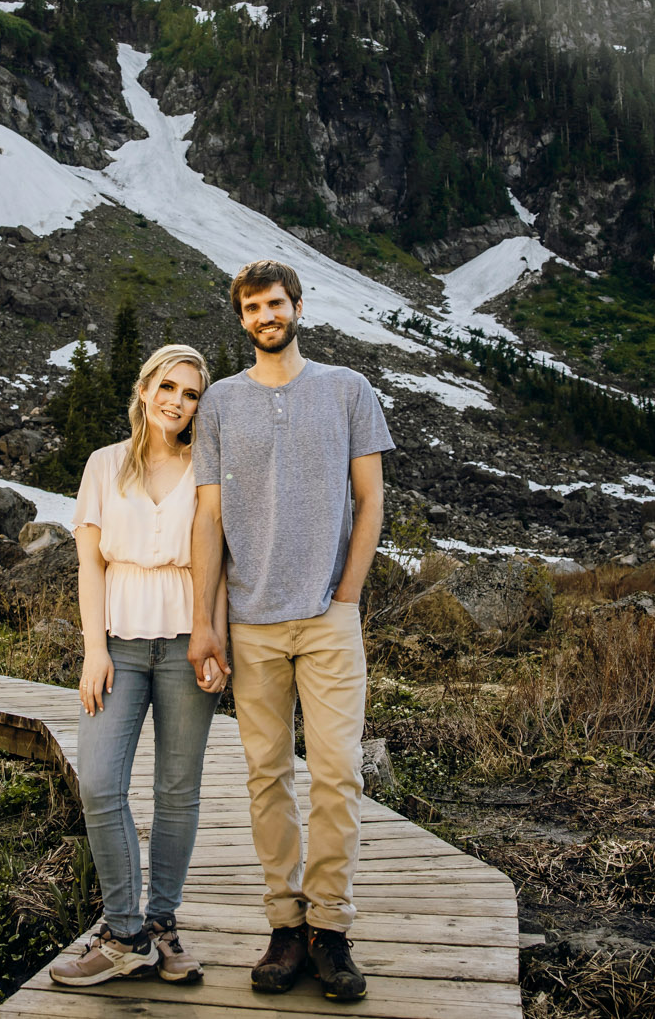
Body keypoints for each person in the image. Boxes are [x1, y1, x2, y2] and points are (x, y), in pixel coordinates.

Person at [188, 261, 392, 1003]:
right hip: (250, 621)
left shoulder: (348, 390)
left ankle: (330, 929)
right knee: (266, 776)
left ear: (298, 307)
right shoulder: (219, 402)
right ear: (242, 319)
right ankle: (284, 923)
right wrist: (207, 622)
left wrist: (347, 592)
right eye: (252, 307)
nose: (266, 314)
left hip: (328, 618)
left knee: (338, 773)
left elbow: (369, 501)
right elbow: (208, 518)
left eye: (276, 302)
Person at [49, 344, 227, 988]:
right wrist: (93, 650)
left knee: (177, 792)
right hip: (119, 645)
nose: (176, 402)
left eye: (191, 394)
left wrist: (218, 644)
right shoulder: (104, 465)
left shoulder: (208, 467)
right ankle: (123, 931)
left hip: (188, 640)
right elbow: (89, 564)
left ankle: (162, 926)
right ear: (145, 386)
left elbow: (221, 567)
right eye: (168, 387)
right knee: (99, 782)